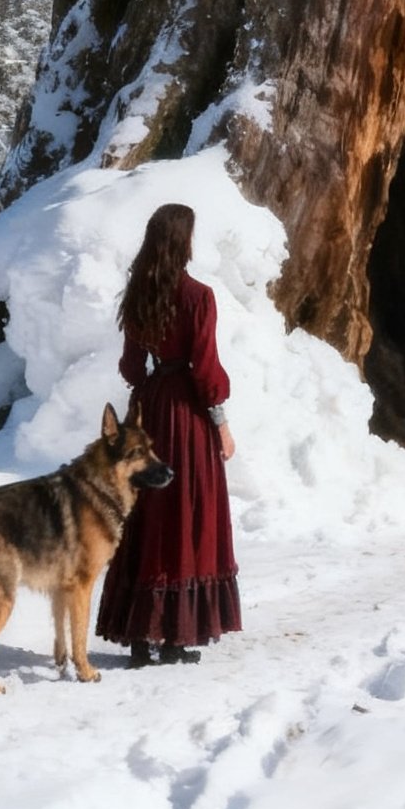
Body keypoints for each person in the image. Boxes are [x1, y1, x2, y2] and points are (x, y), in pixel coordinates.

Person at [95, 201, 242, 666]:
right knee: (186, 513)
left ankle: (141, 638)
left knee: (147, 515)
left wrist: (144, 405)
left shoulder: (140, 293)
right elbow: (205, 367)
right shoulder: (198, 296)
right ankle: (175, 638)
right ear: (184, 240)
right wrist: (220, 424)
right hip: (186, 416)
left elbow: (131, 366)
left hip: (150, 409)